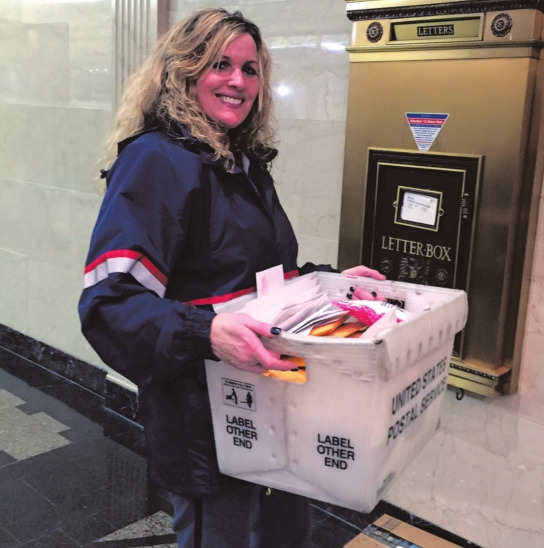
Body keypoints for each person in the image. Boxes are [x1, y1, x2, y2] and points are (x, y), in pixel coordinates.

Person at [78, 8, 384, 548]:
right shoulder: (157, 161)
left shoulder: (240, 162)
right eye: (220, 64)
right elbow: (110, 304)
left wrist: (331, 284)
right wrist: (208, 333)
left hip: (271, 402)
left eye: (250, 69)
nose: (238, 81)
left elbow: (257, 279)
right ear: (184, 71)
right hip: (202, 417)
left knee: (285, 535)